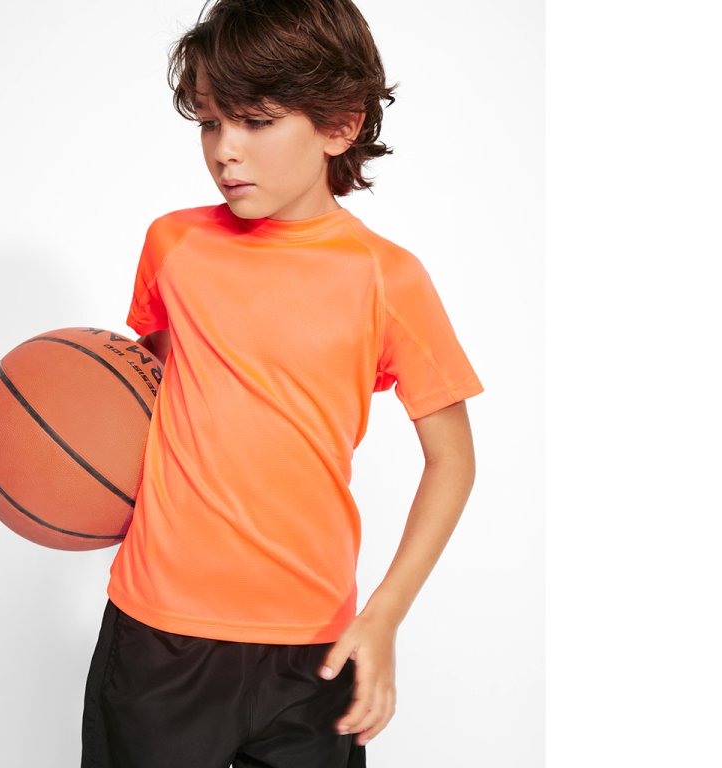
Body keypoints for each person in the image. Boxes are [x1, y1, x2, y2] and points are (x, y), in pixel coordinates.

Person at [81, 1, 484, 765]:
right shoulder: (173, 245)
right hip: (159, 635)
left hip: (317, 649)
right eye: (209, 122)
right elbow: (149, 403)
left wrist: (384, 616)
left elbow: (453, 460)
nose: (225, 150)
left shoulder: (387, 277)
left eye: (256, 122)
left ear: (340, 125)